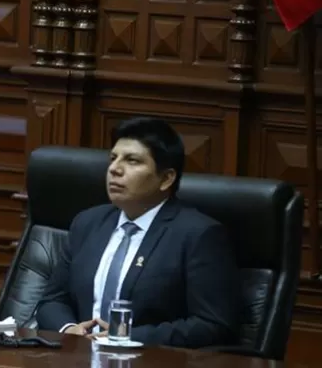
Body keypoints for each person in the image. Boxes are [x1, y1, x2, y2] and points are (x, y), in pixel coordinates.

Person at [36, 117, 239, 348]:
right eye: (113, 159)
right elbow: (53, 300)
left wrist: (126, 336)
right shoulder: (88, 223)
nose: (114, 169)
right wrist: (69, 329)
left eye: (132, 161)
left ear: (166, 178)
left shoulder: (198, 235)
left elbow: (213, 324)